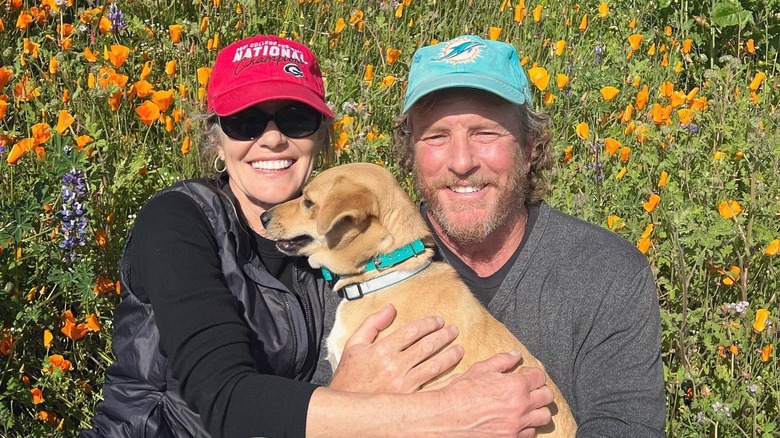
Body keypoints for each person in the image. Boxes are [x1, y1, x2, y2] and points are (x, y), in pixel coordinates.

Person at [82, 34, 556, 438]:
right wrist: (451, 412)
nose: (271, 139)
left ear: (321, 137)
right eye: (245, 122)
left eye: (294, 119)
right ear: (217, 139)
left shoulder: (339, 242)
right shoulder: (177, 224)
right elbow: (222, 398)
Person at [389, 35, 666, 436]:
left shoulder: (608, 274)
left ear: (530, 147)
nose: (462, 162)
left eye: (486, 133)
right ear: (410, 151)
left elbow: (627, 427)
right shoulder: (369, 271)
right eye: (436, 136)